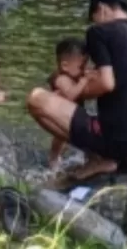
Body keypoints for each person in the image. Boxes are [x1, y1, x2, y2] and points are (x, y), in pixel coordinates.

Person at [25, 0, 127, 180]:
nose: (95, 22)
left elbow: (107, 84)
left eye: (94, 17)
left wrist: (76, 92)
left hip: (117, 137)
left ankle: (101, 159)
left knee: (36, 99)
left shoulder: (99, 32)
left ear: (102, 9)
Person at [46, 38, 90, 170]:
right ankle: (53, 158)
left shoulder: (74, 75)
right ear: (65, 66)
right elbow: (71, 94)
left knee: (73, 139)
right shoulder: (61, 78)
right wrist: (83, 82)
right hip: (63, 114)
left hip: (74, 113)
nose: (84, 70)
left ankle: (85, 157)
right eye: (81, 66)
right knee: (60, 138)